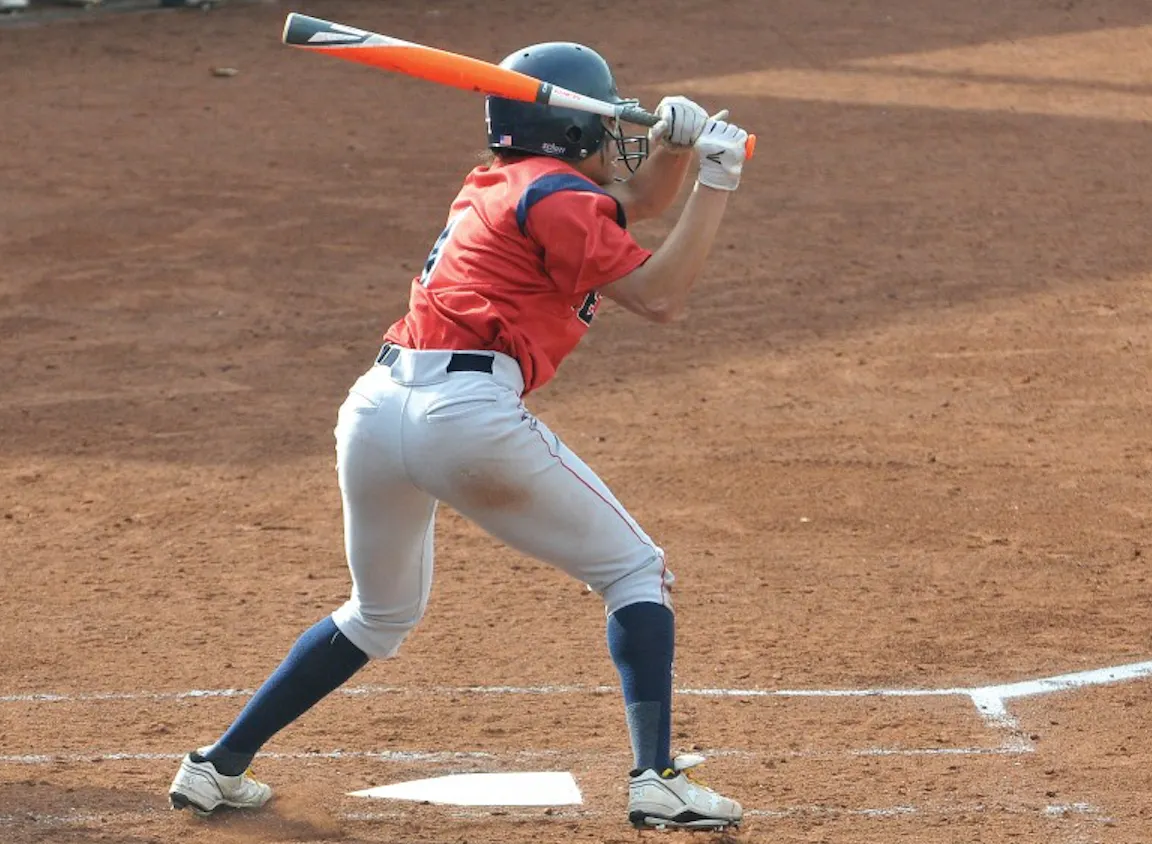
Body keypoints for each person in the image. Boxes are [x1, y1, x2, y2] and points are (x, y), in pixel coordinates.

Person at [166, 40, 750, 832]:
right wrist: (717, 178)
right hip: (467, 418)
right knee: (635, 570)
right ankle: (657, 779)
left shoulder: (503, 183)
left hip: (377, 409)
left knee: (377, 615)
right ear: (574, 135)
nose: (619, 135)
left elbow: (632, 205)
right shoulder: (559, 200)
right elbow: (659, 298)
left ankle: (216, 766)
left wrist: (679, 151)